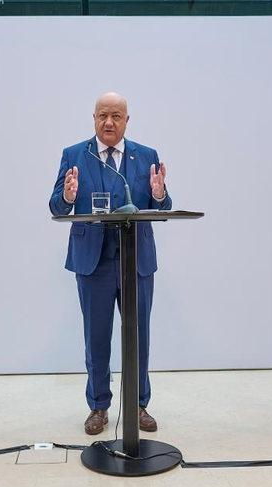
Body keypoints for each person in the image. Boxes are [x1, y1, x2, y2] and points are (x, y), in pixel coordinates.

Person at [49, 92, 172, 435]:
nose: (109, 122)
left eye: (116, 116)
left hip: (137, 261)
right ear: (93, 118)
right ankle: (99, 406)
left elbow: (162, 206)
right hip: (94, 263)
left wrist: (160, 194)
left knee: (139, 337)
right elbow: (57, 207)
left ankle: (138, 404)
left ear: (127, 121)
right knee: (97, 337)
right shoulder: (75, 155)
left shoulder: (145, 156)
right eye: (103, 115)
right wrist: (69, 196)